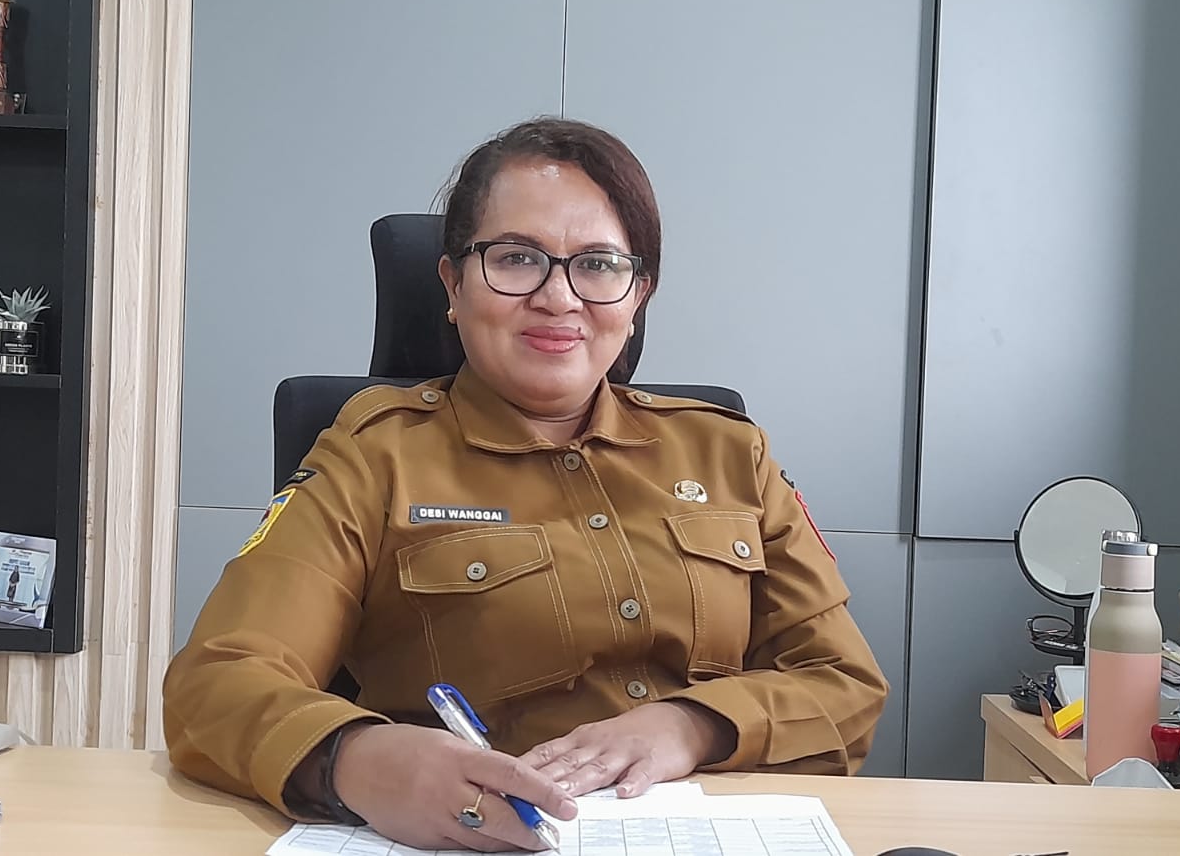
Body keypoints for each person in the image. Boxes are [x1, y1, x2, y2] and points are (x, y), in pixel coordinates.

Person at [163, 117, 889, 851]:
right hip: (478, 836)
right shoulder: (375, 456)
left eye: (598, 264)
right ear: (453, 283)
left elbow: (844, 683)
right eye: (516, 258)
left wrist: (692, 725)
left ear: (638, 294)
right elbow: (217, 681)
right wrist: (354, 759)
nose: (559, 297)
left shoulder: (731, 452)